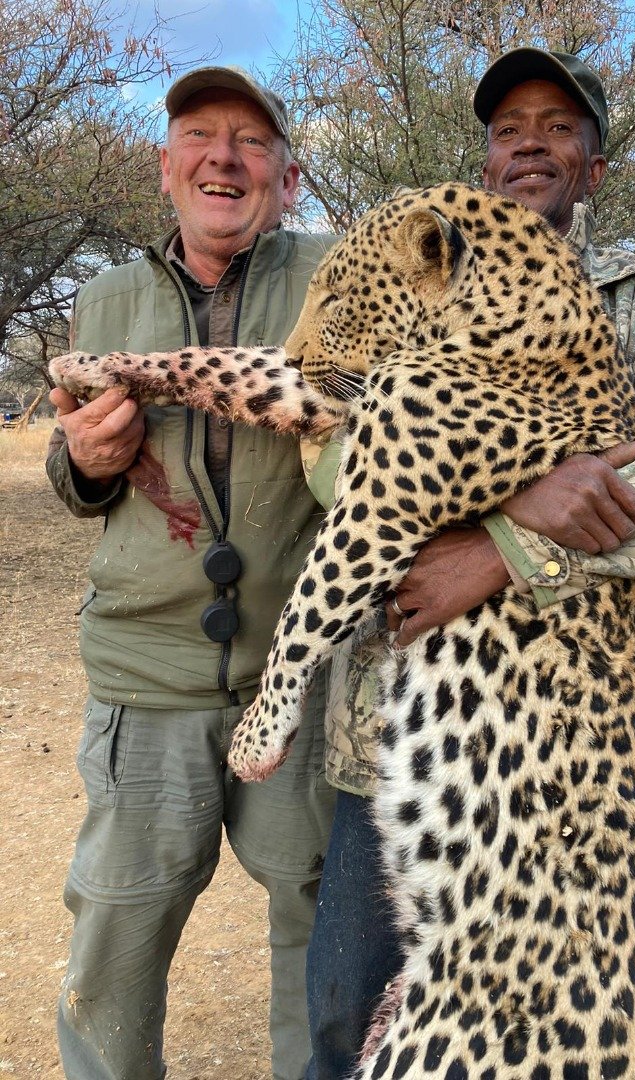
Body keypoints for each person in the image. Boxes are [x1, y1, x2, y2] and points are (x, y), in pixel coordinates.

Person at [303, 48, 635, 1078]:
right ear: (486, 158)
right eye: (510, 129)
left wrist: (501, 551)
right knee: (341, 1006)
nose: (531, 145)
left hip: (568, 756)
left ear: (594, 167)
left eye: (558, 127)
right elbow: (331, 441)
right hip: (395, 726)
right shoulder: (409, 277)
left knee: (544, 1034)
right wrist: (513, 490)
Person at [47, 67, 338, 1080]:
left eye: (253, 142)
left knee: (322, 921)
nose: (226, 156)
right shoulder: (106, 301)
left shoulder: (340, 280)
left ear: (289, 178)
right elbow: (70, 467)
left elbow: (488, 283)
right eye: (201, 136)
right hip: (146, 677)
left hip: (299, 683)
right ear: (164, 168)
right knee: (117, 936)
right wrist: (83, 463)